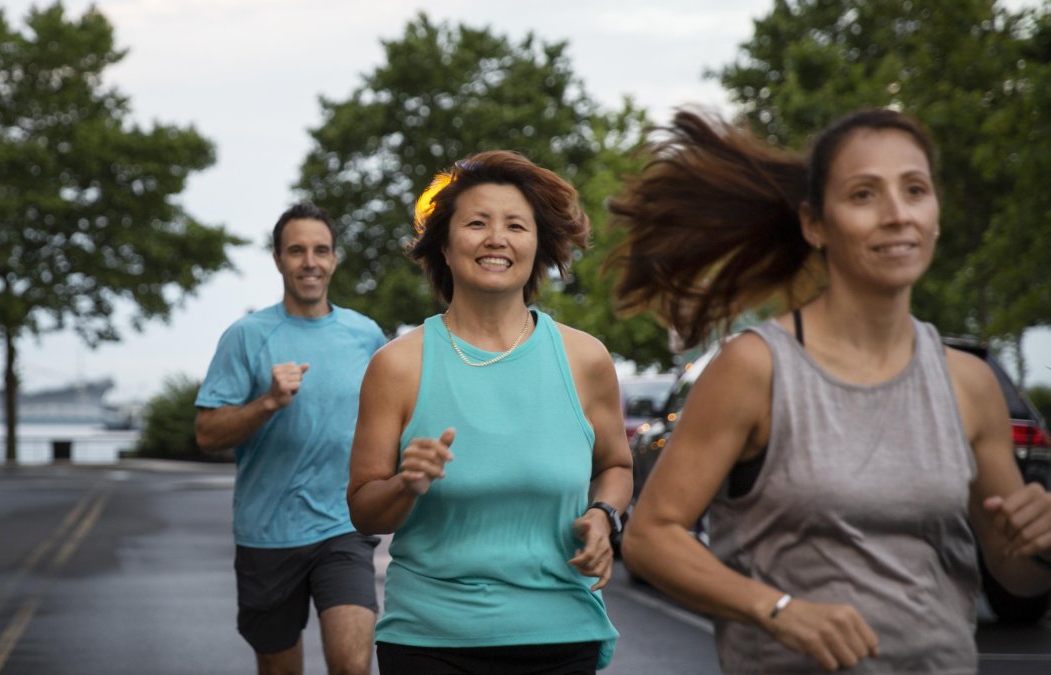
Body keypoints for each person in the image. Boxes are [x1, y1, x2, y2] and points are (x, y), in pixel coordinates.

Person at [611, 109, 1051, 673]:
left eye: (914, 190)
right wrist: (777, 608)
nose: (897, 215)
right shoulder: (756, 368)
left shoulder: (970, 382)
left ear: (935, 214)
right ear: (815, 224)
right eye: (864, 195)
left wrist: (1038, 541)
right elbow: (650, 538)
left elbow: (1014, 572)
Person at [347, 150, 632, 674]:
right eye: (477, 223)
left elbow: (615, 467)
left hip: (560, 635)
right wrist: (406, 483)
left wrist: (602, 515)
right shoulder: (397, 366)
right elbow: (364, 509)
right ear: (446, 247)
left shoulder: (586, 359)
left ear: (537, 249)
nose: (496, 238)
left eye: (516, 225)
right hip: (431, 640)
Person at [194, 202, 386, 675]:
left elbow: (392, 419)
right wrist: (267, 402)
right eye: (296, 251)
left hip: (344, 527)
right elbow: (206, 433)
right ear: (278, 259)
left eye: (321, 250)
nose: (310, 262)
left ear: (335, 259)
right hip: (268, 533)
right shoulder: (245, 336)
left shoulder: (366, 335)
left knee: (352, 666)